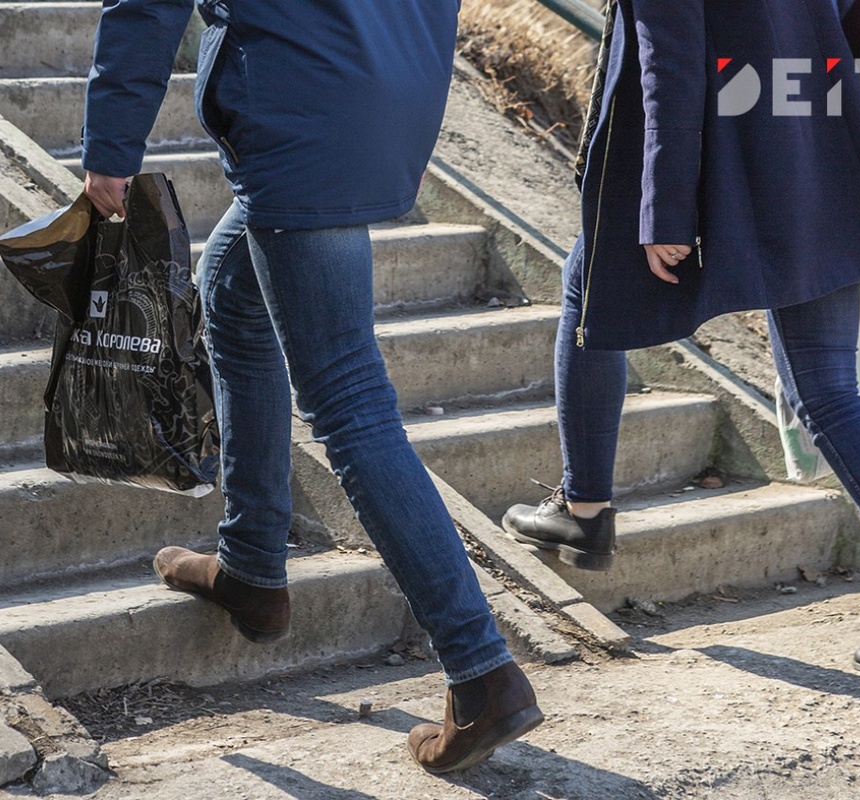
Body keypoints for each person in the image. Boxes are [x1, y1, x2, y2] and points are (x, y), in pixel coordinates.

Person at [79, 0, 543, 771]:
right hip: (374, 87)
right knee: (230, 295)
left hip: (302, 101)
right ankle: (251, 565)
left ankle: (481, 672)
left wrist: (110, 143)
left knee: (350, 402)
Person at [503, 0, 860, 681]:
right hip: (812, 132)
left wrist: (665, 205)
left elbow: (669, 58)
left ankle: (584, 508)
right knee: (827, 390)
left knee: (591, 291)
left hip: (734, 146)